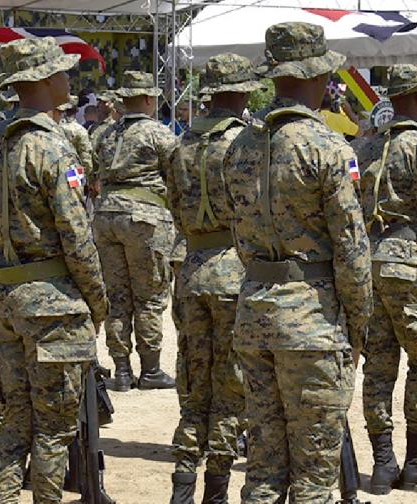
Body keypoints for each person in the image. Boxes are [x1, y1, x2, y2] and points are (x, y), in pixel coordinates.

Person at [224, 22, 371, 502]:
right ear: (316, 77)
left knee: (264, 469)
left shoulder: (239, 146)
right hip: (313, 321)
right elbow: (351, 249)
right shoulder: (328, 147)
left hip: (255, 312)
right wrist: (357, 323)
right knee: (313, 475)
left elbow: (239, 236)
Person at [0, 36, 108, 504]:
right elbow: (76, 236)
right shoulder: (52, 146)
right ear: (46, 80)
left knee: (14, 421)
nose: (69, 79)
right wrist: (97, 300)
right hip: (52, 300)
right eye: (63, 72)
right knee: (53, 428)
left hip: (5, 293)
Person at [165, 53, 262, 502]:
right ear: (241, 92)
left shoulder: (179, 144)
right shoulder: (246, 141)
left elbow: (173, 207)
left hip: (192, 269)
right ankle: (216, 490)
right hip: (234, 270)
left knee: (193, 384)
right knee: (230, 389)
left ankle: (182, 482)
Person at [92, 70, 177, 392]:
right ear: (147, 99)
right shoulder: (159, 133)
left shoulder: (105, 134)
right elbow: (176, 176)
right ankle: (151, 369)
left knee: (116, 296)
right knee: (150, 296)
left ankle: (122, 370)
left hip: (106, 216)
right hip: (144, 218)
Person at [357, 63, 417, 494]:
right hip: (409, 263)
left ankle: (382, 464)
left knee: (377, 367)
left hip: (369, 263)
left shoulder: (366, 147)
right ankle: (413, 463)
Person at [55, 95, 94, 171]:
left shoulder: (53, 126)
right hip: (72, 172)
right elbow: (86, 161)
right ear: (77, 110)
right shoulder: (80, 130)